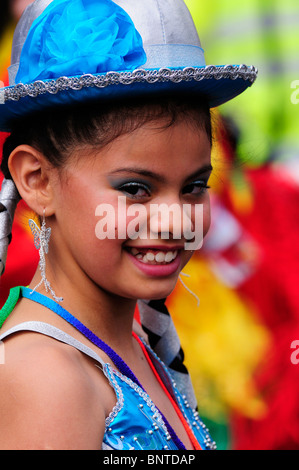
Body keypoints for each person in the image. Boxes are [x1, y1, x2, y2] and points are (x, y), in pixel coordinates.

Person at [0, 0, 257, 450]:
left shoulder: (130, 340)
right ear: (37, 181)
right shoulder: (46, 378)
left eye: (195, 185)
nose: (174, 219)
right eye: (136, 189)